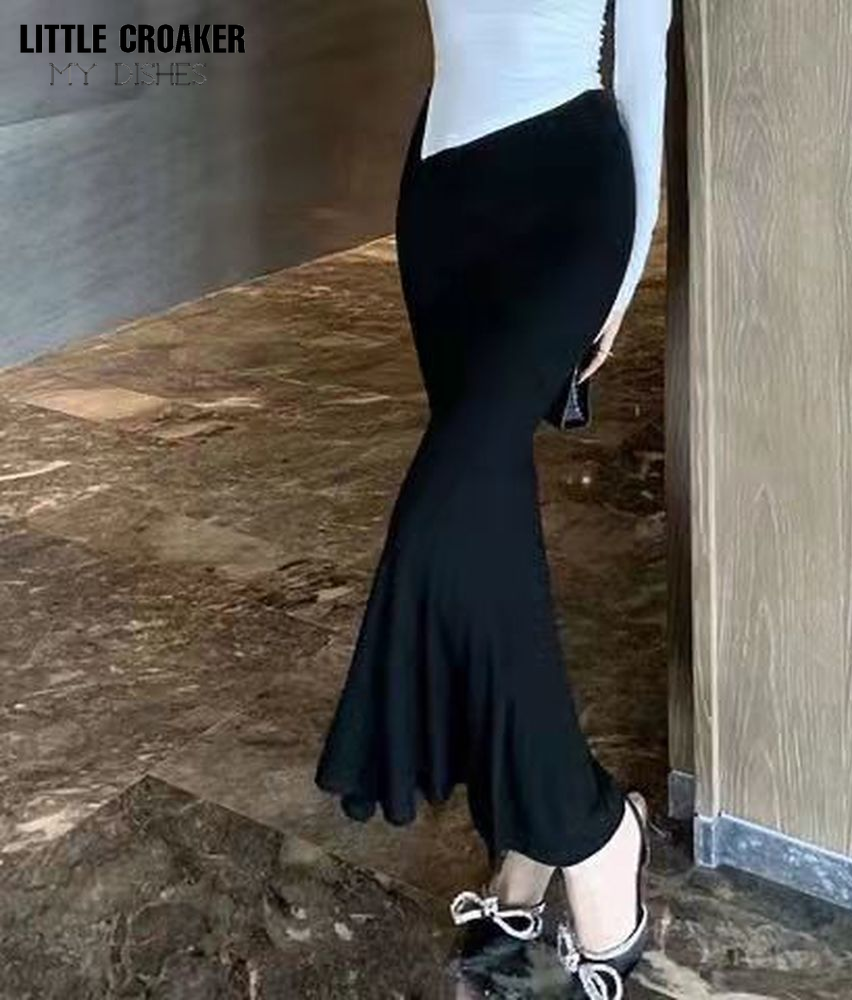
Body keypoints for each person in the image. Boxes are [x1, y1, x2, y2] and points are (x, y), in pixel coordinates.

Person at [314, 0, 672, 994]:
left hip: (568, 197)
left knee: (445, 514)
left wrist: (624, 275)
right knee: (489, 520)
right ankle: (527, 832)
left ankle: (591, 833)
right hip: (442, 201)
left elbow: (642, 65)